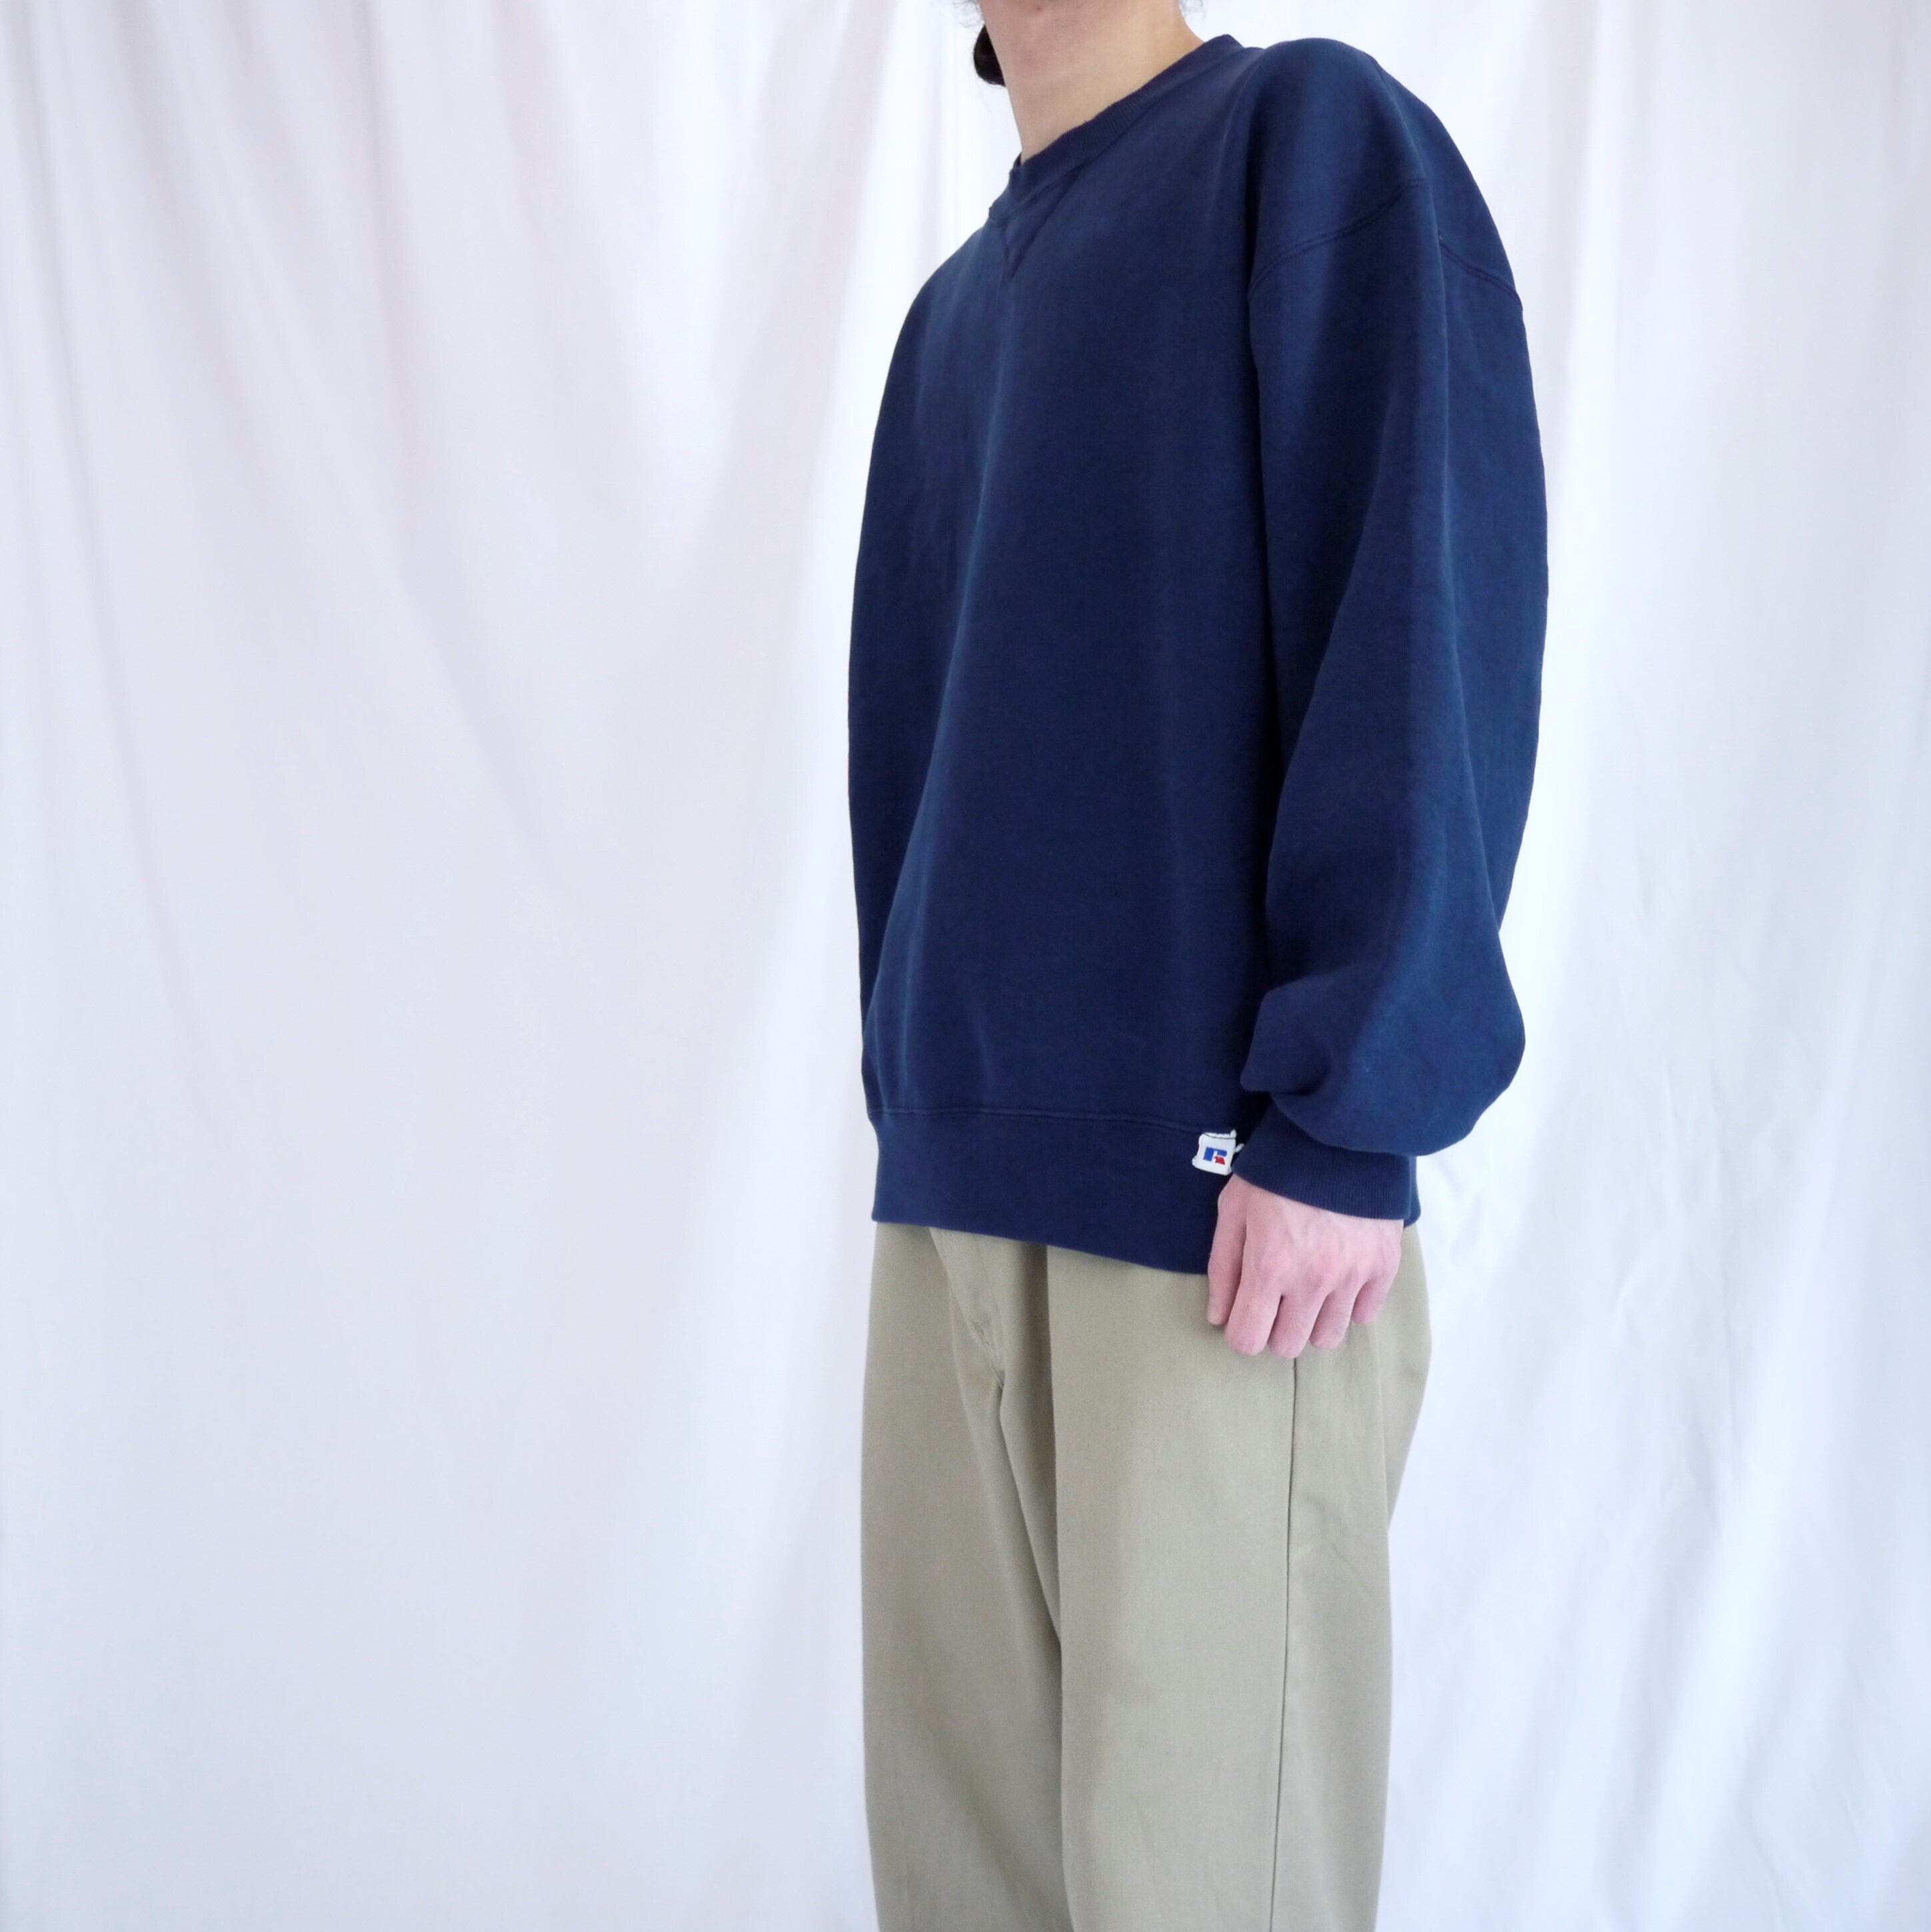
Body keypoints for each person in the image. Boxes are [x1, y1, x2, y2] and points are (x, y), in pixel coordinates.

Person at [845, 3, 1547, 1927]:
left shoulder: (1301, 145)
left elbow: (1421, 610)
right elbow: (913, 770)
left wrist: (1342, 1120)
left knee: (1204, 1890)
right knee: (960, 1890)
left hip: (1222, 1222)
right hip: (953, 1216)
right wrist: (919, 1114)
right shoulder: (947, 327)